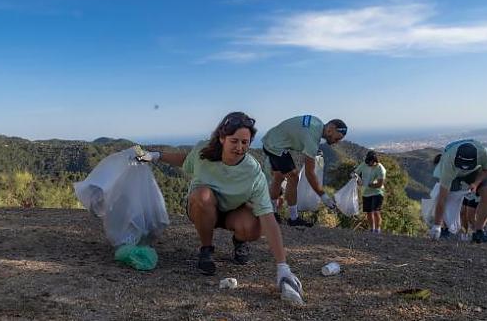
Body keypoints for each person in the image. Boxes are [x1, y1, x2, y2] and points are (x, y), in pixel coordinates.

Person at [137, 112, 304, 303]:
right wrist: (156, 156)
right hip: (203, 207)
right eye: (234, 141)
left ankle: (240, 241)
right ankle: (206, 249)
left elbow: (268, 217)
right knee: (202, 195)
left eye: (245, 142)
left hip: (233, 211)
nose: (240, 147)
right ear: (222, 138)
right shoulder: (203, 152)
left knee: (255, 227)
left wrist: (283, 266)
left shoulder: (253, 172)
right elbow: (185, 160)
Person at [261, 115, 347, 227]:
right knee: (293, 177)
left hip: (270, 140)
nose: (336, 142)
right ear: (330, 129)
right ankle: (293, 218)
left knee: (278, 177)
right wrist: (324, 196)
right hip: (275, 147)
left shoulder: (317, 123)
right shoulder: (313, 137)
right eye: (337, 138)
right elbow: (309, 173)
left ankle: (271, 212)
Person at [429, 140, 487, 243]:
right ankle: (445, 229)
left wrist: (476, 183)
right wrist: (437, 225)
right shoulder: (448, 162)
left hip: (474, 171)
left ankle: (479, 232)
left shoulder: (484, 153)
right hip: (453, 173)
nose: (463, 169)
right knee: (450, 196)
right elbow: (442, 198)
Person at [353, 150, 387, 233]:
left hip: (377, 192)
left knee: (375, 211)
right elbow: (355, 173)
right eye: (367, 162)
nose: (368, 164)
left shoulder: (380, 169)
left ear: (375, 161)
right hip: (366, 192)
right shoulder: (364, 164)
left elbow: (379, 184)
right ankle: (372, 229)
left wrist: (367, 184)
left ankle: (377, 230)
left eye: (370, 162)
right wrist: (355, 178)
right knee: (369, 212)